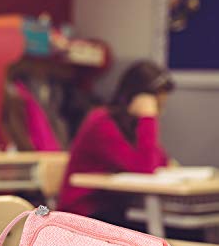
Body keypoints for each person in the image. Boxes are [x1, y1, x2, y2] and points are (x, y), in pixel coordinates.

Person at [58, 60, 175, 227]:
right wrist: (148, 118)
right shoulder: (102, 122)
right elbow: (145, 168)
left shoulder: (133, 125)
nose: (159, 109)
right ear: (137, 97)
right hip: (86, 213)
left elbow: (162, 161)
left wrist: (146, 124)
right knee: (172, 233)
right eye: (157, 103)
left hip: (114, 209)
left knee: (184, 232)